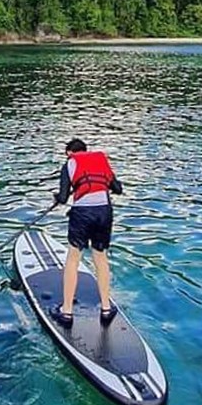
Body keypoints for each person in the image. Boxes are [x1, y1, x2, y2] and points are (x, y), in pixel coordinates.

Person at [49, 138, 123, 329]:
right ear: (85, 150)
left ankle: (66, 312)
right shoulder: (100, 160)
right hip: (104, 212)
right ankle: (106, 309)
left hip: (82, 213)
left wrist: (57, 197)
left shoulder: (69, 164)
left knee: (74, 258)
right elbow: (118, 189)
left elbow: (64, 198)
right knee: (100, 258)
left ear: (69, 153)